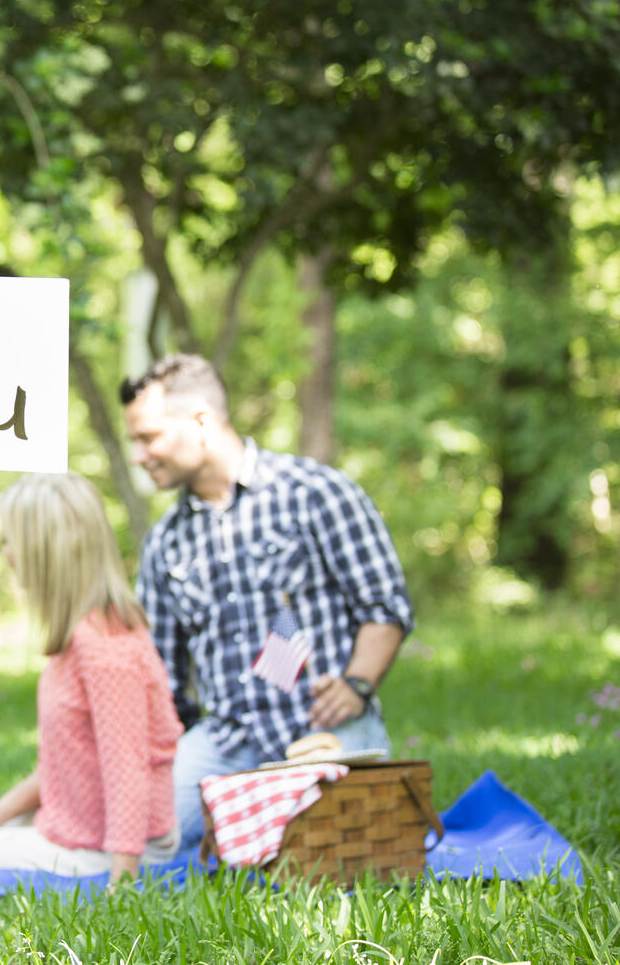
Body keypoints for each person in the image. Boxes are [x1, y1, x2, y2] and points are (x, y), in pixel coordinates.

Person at [120, 353, 414, 851]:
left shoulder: (316, 493)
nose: (140, 455)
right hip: (226, 741)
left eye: (149, 438)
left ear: (201, 422)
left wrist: (358, 684)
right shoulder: (164, 542)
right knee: (146, 843)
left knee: (342, 848)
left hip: (325, 727)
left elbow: (384, 607)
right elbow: (162, 672)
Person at [0, 473, 183, 882]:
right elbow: (74, 759)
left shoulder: (105, 650)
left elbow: (127, 771)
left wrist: (122, 880)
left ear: (47, 552)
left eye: (14, 542)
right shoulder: (83, 634)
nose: (7, 554)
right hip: (74, 827)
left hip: (109, 850)